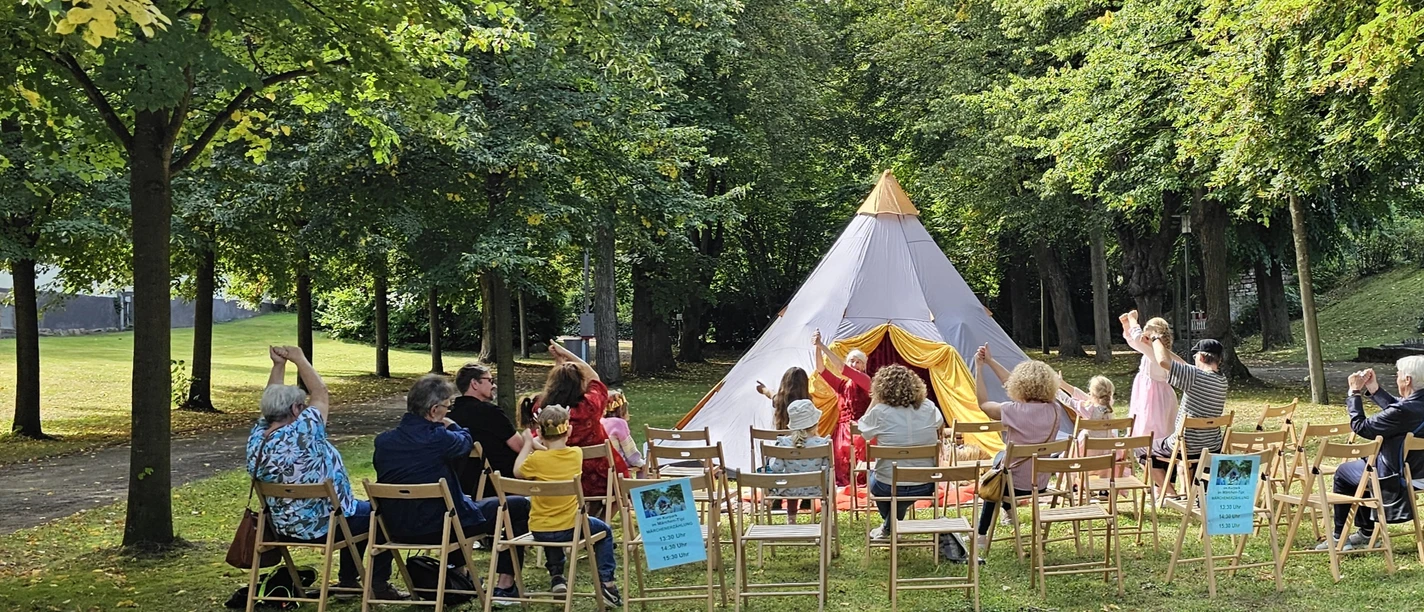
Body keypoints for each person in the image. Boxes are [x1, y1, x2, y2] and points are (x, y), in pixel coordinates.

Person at [246, 346, 406, 600]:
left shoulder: (258, 438)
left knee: (357, 510)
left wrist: (278, 366)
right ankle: (375, 584)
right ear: (298, 410)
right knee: (383, 513)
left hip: (281, 528)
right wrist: (299, 358)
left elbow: (270, 401)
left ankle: (349, 582)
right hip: (324, 528)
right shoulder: (305, 432)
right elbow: (320, 393)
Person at [372, 374, 530, 603]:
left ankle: (458, 572)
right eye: (446, 407)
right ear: (434, 410)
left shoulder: (383, 442)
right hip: (442, 526)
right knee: (517, 505)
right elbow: (466, 441)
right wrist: (452, 425)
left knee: (456, 504)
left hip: (396, 527)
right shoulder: (440, 438)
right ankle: (505, 584)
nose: (448, 411)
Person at [514, 405, 623, 606]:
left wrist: (528, 444)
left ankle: (557, 577)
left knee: (551, 527)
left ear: (540, 433)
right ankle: (607, 583)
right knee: (604, 532)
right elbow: (555, 453)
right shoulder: (576, 454)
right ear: (569, 430)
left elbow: (517, 471)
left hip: (540, 529)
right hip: (570, 528)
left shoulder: (536, 460)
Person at [1316, 358, 1424, 551]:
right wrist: (1374, 389)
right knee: (1361, 470)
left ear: (1407, 380)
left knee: (1344, 472)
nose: (1396, 377)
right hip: (1420, 475)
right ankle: (1365, 532)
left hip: (1395, 477)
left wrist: (1354, 393)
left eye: (1398, 374)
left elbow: (1361, 427)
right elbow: (1398, 411)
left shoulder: (1403, 411)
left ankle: (1340, 537)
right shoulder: (1411, 408)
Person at [973, 345, 1062, 553]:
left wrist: (979, 368)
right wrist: (991, 362)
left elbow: (983, 403)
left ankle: (981, 534)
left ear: (1018, 386)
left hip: (1014, 484)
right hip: (1039, 482)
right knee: (1002, 460)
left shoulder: (1013, 410)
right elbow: (1012, 385)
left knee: (996, 476)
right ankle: (1009, 513)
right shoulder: (1055, 409)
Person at [857, 365, 944, 541]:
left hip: (887, 484)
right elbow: (939, 425)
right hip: (925, 483)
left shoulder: (880, 412)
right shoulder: (929, 407)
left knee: (876, 481)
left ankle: (888, 528)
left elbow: (863, 429)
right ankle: (889, 527)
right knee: (900, 490)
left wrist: (875, 401)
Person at [538, 341, 629, 499]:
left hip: (561, 479)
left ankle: (585, 521)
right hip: (603, 480)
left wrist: (559, 365)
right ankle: (598, 521)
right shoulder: (589, 407)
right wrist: (566, 354)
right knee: (622, 494)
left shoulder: (542, 412)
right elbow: (593, 376)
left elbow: (555, 386)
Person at [1145, 334, 1228, 499]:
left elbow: (1164, 362)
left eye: (1195, 356)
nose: (1194, 360)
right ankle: (1185, 490)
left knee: (1141, 448)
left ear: (1202, 357)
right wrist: (1159, 347)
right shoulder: (1222, 380)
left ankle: (1169, 492)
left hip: (1187, 445)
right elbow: (1182, 365)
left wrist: (1155, 339)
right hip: (1212, 445)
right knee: (1176, 449)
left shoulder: (1194, 376)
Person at [448, 363, 523, 499]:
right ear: (475, 384)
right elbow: (520, 447)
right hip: (502, 486)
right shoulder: (491, 413)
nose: (494, 385)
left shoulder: (449, 417)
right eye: (490, 381)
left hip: (463, 488)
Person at [814, 330, 872, 488]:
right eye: (851, 361)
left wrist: (822, 345)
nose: (854, 364)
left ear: (864, 365)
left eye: (857, 361)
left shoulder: (865, 380)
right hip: (843, 432)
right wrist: (817, 348)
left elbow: (842, 368)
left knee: (860, 472)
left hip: (861, 430)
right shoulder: (841, 385)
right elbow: (821, 369)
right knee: (843, 472)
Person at [765, 399, 832, 523]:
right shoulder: (823, 443)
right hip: (816, 489)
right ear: (815, 423)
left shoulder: (783, 443)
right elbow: (827, 471)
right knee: (798, 480)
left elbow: (777, 468)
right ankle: (825, 520)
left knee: (792, 480)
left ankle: (791, 518)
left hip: (789, 489)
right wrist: (828, 489)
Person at [1121, 311, 1178, 452]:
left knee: (1152, 425)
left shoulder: (1155, 350)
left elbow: (1137, 337)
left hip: (1152, 394)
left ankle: (1151, 452)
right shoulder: (1156, 350)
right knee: (1158, 424)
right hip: (1159, 393)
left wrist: (1133, 320)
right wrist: (1126, 326)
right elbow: (1135, 342)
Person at [601, 390, 646, 478]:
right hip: (618, 464)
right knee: (643, 466)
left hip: (603, 465)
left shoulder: (600, 422)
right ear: (622, 409)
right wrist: (640, 463)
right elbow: (629, 450)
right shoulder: (619, 423)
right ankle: (637, 490)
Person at [755, 366, 813, 430]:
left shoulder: (780, 401)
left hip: (781, 438)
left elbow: (771, 394)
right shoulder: (809, 404)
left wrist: (763, 389)